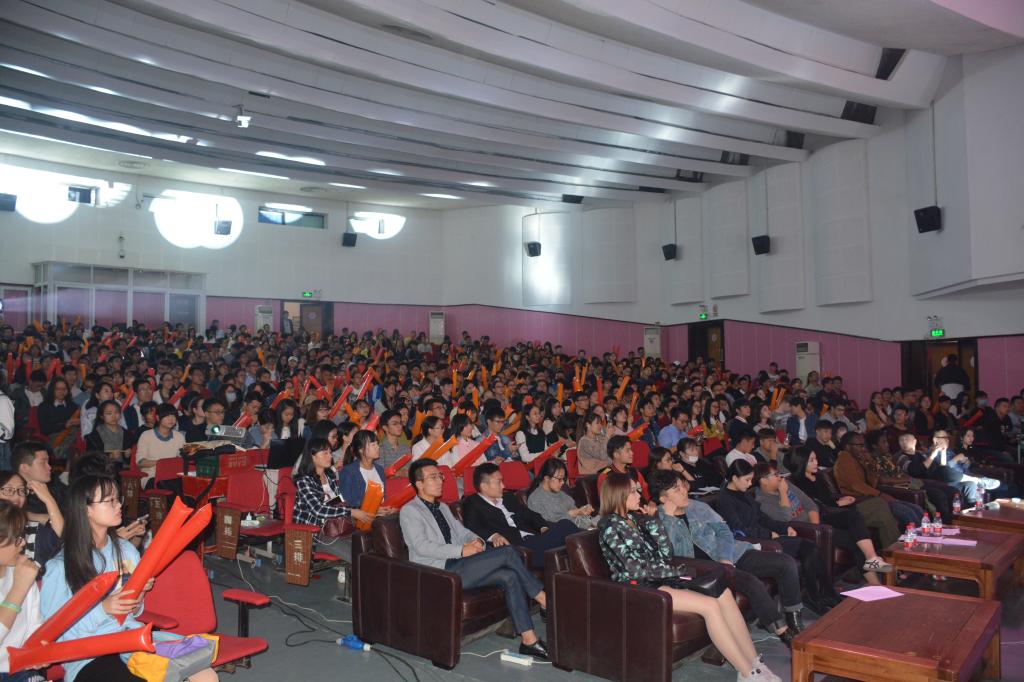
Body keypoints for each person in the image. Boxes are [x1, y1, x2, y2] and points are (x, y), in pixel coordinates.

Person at [597, 472, 779, 682]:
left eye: (637, 490)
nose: (639, 495)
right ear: (619, 495)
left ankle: (754, 662)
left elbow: (665, 554)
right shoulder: (610, 527)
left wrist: (653, 523)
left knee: (723, 594)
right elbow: (635, 568)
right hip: (637, 588)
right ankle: (747, 673)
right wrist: (676, 572)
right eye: (633, 491)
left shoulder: (633, 520)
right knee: (710, 606)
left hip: (658, 580)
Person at [39, 475, 217, 682]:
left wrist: (138, 595)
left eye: (118, 499)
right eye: (110, 501)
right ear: (86, 510)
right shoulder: (61, 566)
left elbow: (134, 612)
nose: (118, 506)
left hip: (131, 641)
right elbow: (54, 634)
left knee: (205, 674)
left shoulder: (126, 551)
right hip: (89, 654)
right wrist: (103, 609)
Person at [400, 460, 548, 659]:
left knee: (509, 576)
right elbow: (422, 546)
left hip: (458, 564)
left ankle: (529, 641)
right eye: (433, 477)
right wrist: (462, 550)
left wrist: (476, 541)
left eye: (440, 476)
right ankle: (542, 597)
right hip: (438, 571)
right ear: (419, 483)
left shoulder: (442, 507)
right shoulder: (410, 511)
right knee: (508, 552)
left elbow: (462, 532)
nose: (440, 481)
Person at [650, 470, 802, 647]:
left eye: (682, 486)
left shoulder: (698, 507)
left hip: (730, 555)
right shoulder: (657, 521)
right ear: (663, 498)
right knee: (751, 582)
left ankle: (795, 622)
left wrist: (725, 557)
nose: (684, 491)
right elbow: (670, 554)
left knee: (785, 563)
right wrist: (669, 519)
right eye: (676, 490)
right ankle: (784, 633)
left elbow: (724, 532)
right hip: (705, 569)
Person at [717, 461, 843, 614]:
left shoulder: (743, 494)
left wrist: (784, 528)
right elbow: (739, 530)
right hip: (755, 543)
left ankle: (823, 594)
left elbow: (762, 518)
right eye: (747, 480)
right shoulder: (725, 500)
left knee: (811, 548)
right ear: (734, 478)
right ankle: (816, 597)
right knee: (809, 549)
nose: (750, 484)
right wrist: (769, 534)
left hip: (766, 536)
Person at [753, 461, 890, 586]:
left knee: (853, 515)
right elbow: (786, 518)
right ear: (763, 480)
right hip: (805, 530)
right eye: (775, 475)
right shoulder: (762, 502)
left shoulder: (787, 484)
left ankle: (872, 557)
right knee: (853, 541)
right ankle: (876, 585)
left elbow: (810, 504)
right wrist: (783, 494)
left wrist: (817, 524)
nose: (780, 477)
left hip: (817, 522)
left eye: (779, 473)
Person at [462, 463, 578, 570]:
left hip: (534, 539)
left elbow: (529, 514)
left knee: (573, 536)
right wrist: (494, 536)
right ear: (484, 486)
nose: (503, 485)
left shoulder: (508, 497)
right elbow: (472, 527)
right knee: (566, 526)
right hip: (517, 548)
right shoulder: (472, 503)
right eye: (499, 482)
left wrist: (543, 527)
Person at [789, 446, 900, 548]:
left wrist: (841, 499)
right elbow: (815, 505)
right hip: (832, 514)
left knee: (880, 505)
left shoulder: (818, 477)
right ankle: (894, 553)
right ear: (802, 462)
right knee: (881, 511)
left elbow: (827, 497)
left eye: (816, 459)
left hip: (840, 507)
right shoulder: (799, 483)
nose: (816, 463)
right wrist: (838, 504)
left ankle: (897, 551)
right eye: (811, 460)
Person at [293, 438, 374, 563]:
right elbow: (318, 510)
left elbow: (342, 502)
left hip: (338, 528)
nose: (330, 456)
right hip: (316, 534)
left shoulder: (330, 478)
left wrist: (370, 508)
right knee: (358, 557)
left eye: (330, 452)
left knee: (368, 548)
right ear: (312, 456)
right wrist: (351, 512)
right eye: (325, 453)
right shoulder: (304, 481)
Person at [833, 433, 923, 530]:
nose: (863, 449)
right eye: (860, 446)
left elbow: (873, 481)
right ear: (848, 447)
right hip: (859, 501)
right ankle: (919, 537)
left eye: (864, 445)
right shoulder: (844, 460)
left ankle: (925, 535)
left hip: (871, 497)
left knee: (917, 509)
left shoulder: (857, 458)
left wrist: (870, 461)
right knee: (907, 513)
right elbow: (857, 486)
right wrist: (880, 494)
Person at [0, 499, 45, 682]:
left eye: (22, 535)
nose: (23, 543)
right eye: (17, 538)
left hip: (20, 670)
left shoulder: (21, 571)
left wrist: (38, 650)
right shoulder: (22, 576)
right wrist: (18, 589)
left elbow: (34, 626)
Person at [526, 459, 596, 530]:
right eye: (560, 479)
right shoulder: (535, 499)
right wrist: (572, 514)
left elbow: (577, 514)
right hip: (567, 533)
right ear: (547, 478)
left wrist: (583, 511)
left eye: (563, 479)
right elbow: (547, 527)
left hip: (581, 530)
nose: (563, 482)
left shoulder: (561, 494)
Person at [338, 430, 397, 514]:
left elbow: (384, 498)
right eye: (373, 445)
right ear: (361, 450)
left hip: (381, 515)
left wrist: (388, 508)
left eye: (377, 444)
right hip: (362, 517)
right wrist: (374, 510)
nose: (378, 447)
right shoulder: (348, 472)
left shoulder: (380, 469)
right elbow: (347, 503)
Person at [134, 403, 185, 486]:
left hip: (172, 475)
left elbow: (181, 459)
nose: (171, 419)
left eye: (174, 416)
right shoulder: (146, 435)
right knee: (166, 484)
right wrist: (161, 463)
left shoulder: (179, 437)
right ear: (158, 418)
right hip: (151, 476)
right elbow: (140, 462)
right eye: (167, 416)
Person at [596, 435, 651, 502]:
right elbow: (608, 502)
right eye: (627, 451)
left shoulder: (633, 471)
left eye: (631, 450)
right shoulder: (606, 475)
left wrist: (651, 502)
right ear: (616, 455)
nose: (632, 453)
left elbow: (646, 491)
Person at [84, 400, 132, 469]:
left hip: (123, 469)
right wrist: (109, 456)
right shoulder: (94, 436)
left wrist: (128, 455)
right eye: (109, 413)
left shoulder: (127, 434)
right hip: (102, 469)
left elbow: (131, 459)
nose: (113, 416)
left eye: (116, 413)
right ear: (102, 416)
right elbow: (91, 458)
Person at [576, 410, 609, 475]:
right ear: (588, 425)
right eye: (597, 423)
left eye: (601, 423)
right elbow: (603, 456)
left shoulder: (599, 437)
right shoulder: (584, 441)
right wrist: (607, 437)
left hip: (604, 470)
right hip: (592, 475)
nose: (600, 426)